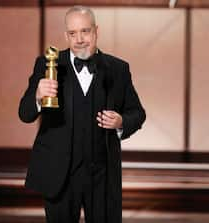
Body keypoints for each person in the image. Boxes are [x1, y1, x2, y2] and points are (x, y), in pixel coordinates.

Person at [19, 5, 145, 223]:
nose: (79, 39)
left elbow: (137, 113)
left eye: (85, 31)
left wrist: (121, 121)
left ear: (96, 31)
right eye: (72, 33)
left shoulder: (118, 69)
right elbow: (24, 113)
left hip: (102, 177)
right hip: (59, 175)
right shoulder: (48, 65)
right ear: (66, 35)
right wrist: (38, 97)